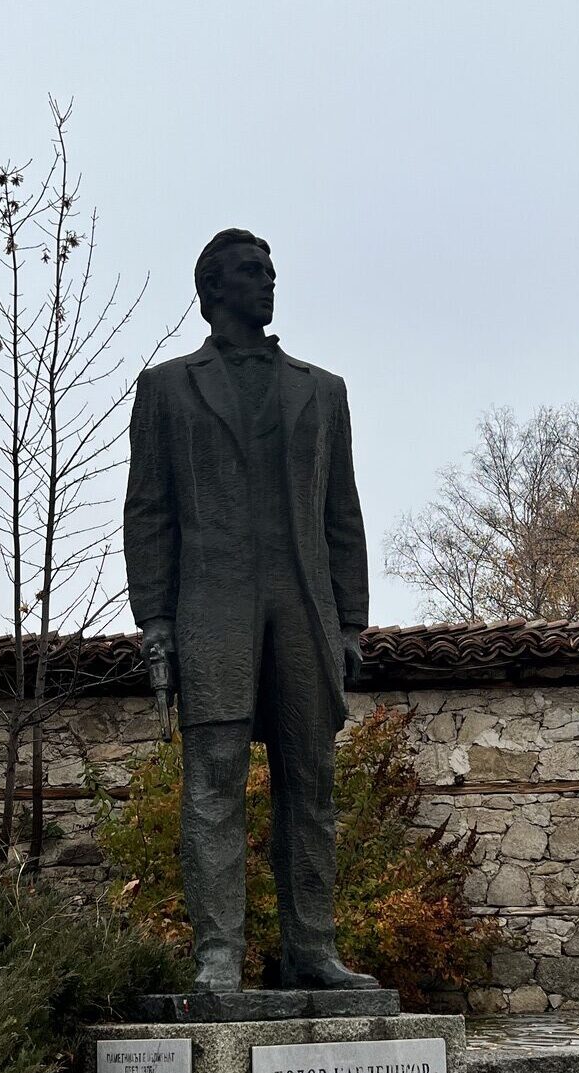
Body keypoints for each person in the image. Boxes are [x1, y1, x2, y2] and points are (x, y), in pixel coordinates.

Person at [123, 228, 378, 994]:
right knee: (213, 781)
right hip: (212, 610)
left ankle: (312, 948)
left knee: (312, 779)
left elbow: (343, 514)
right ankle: (219, 957)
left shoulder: (321, 390)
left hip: (304, 608)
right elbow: (150, 511)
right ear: (212, 289)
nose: (267, 283)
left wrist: (352, 622)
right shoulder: (168, 389)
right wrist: (156, 622)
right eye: (249, 272)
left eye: (269, 271)